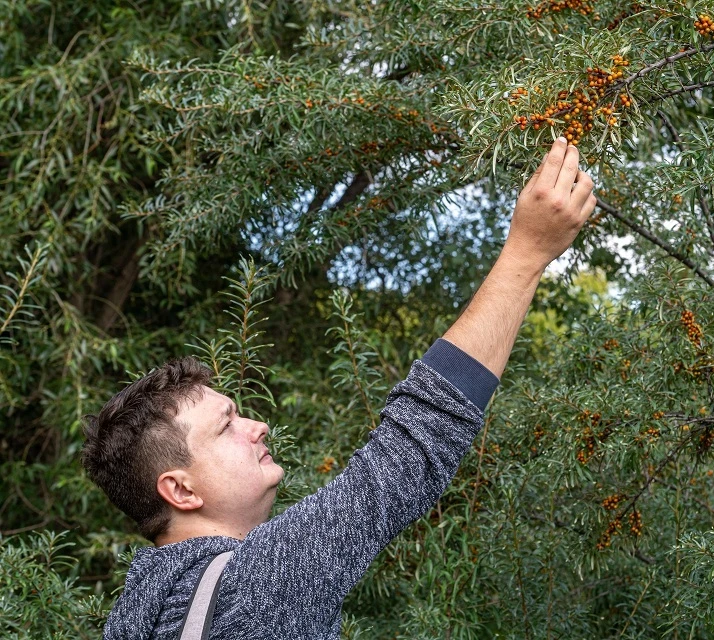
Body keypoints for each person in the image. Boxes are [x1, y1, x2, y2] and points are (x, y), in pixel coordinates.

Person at [82, 137, 596, 639]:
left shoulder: (135, 614)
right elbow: (414, 445)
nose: (258, 426)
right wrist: (527, 252)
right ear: (180, 490)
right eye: (226, 426)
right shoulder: (260, 583)